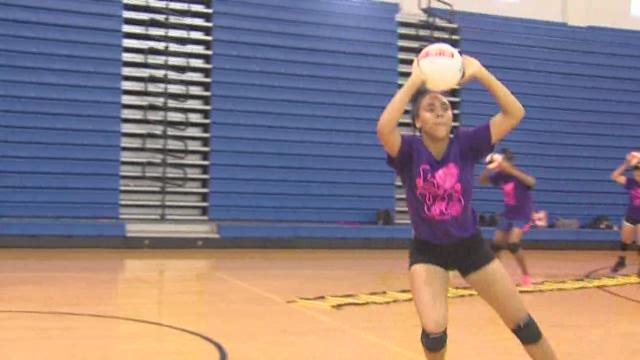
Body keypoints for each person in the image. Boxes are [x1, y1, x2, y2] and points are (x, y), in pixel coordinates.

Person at [376, 55, 557, 359]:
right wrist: (414, 81)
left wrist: (481, 73)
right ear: (418, 120)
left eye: (445, 107)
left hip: (469, 246)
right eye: (430, 108)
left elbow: (514, 113)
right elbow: (384, 128)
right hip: (428, 250)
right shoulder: (409, 151)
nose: (439, 113)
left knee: (522, 323)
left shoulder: (466, 143)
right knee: (434, 332)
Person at [479, 148, 535, 286]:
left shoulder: (518, 174)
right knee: (496, 245)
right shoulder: (500, 176)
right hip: (508, 213)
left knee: (513, 244)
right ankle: (497, 276)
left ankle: (526, 275)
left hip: (522, 214)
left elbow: (531, 182)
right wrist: (489, 168)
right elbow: (482, 181)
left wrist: (511, 170)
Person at [609, 152, 640, 275]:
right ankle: (621, 261)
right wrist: (626, 164)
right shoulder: (631, 183)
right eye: (636, 173)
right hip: (631, 216)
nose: (637, 175)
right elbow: (614, 176)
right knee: (625, 240)